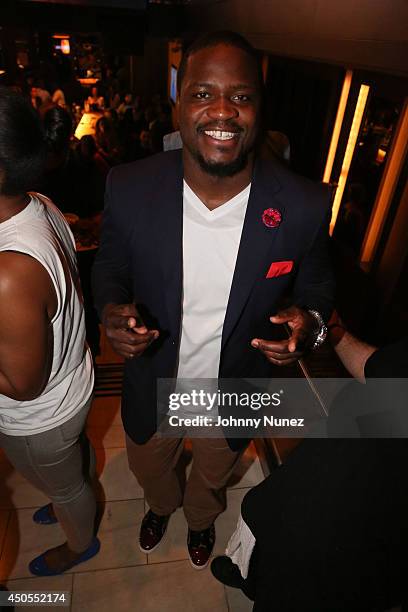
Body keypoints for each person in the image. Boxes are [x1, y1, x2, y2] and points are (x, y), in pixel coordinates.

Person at [92, 31, 334, 570]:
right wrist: (110, 310)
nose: (223, 110)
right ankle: (160, 507)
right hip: (152, 380)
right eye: (203, 93)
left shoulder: (304, 204)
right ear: (179, 102)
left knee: (212, 474)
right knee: (152, 470)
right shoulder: (129, 187)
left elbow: (317, 288)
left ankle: (200, 521)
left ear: (259, 109)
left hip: (236, 385)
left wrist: (309, 324)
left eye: (241, 96)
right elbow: (109, 265)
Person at [211, 319, 408, 611]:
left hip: (353, 544)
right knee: (268, 529)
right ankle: (251, 577)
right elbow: (379, 368)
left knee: (297, 591)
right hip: (315, 473)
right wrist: (334, 328)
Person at [0, 86, 99, 576]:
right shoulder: (35, 201)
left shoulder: (10, 270)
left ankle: (80, 542)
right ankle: (67, 489)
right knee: (67, 470)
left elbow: (23, 385)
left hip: (41, 414)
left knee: (66, 485)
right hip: (71, 385)